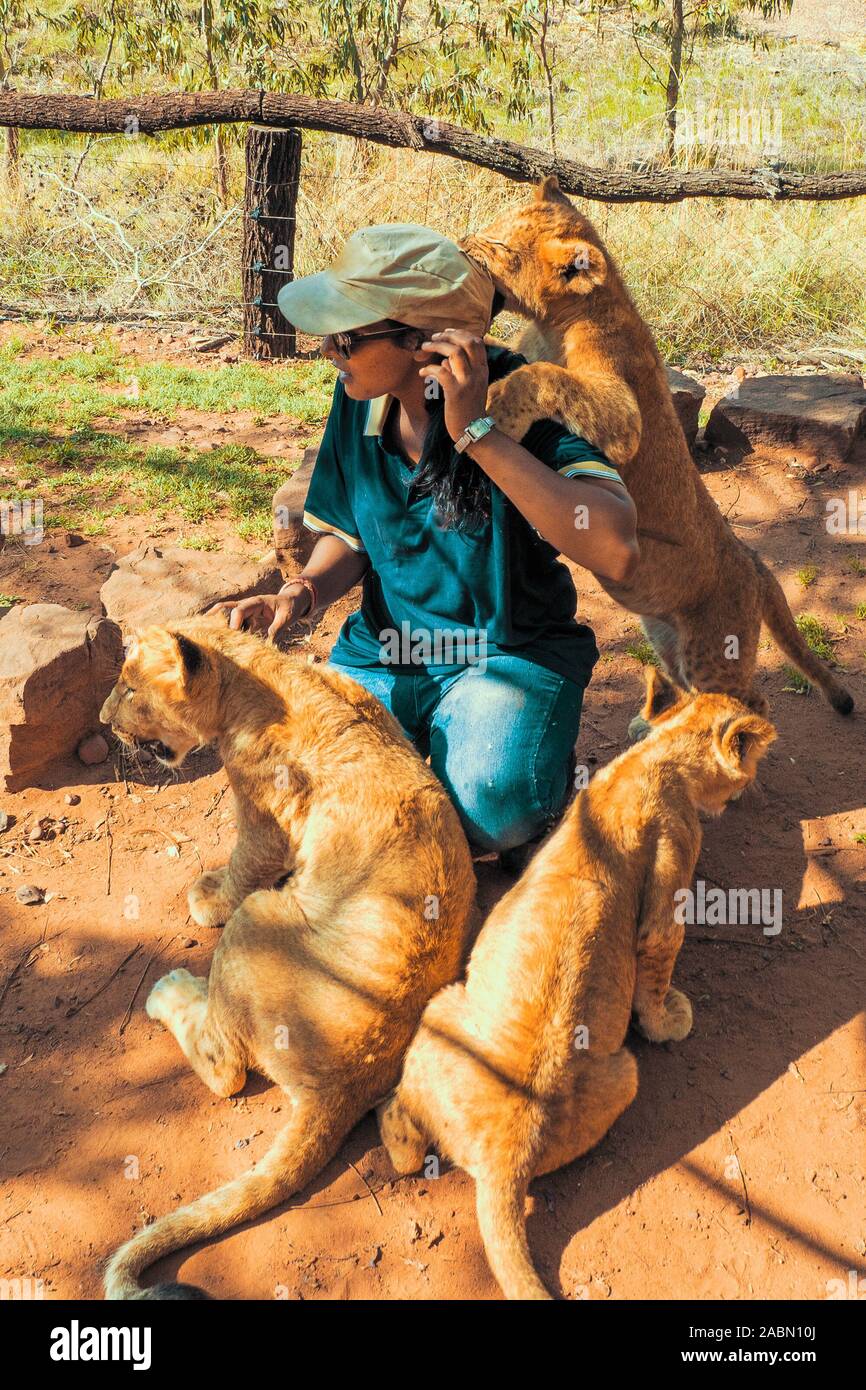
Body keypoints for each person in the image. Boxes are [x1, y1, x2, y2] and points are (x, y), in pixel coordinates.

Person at [218, 223, 639, 861]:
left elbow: (614, 545)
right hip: (386, 653)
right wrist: (299, 594)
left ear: (425, 343)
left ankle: (526, 778)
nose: (331, 349)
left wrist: (476, 433)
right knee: (301, 785)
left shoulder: (523, 399)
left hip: (505, 654)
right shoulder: (362, 397)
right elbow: (354, 538)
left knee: (489, 808)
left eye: (350, 336)